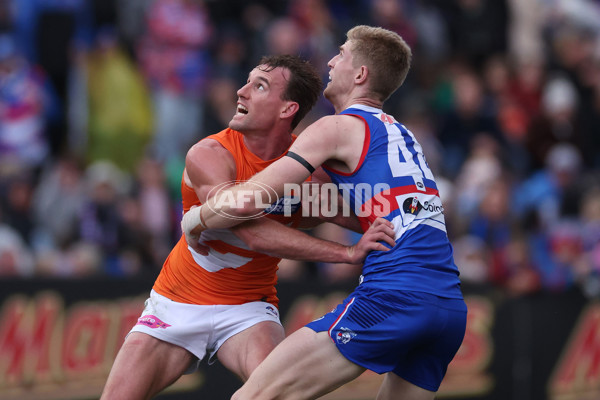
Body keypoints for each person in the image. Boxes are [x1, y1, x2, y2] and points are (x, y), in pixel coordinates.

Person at [182, 26, 467, 400]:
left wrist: (195, 219)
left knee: (253, 397)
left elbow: (248, 199)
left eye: (342, 55)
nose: (331, 61)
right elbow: (356, 207)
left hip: (396, 295)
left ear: (360, 74)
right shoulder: (403, 134)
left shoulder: (335, 127)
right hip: (449, 307)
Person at [100, 54, 395, 400]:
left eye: (259, 86)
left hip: (248, 309)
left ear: (287, 110)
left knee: (277, 395)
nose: (240, 92)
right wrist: (345, 252)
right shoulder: (209, 153)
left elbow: (365, 213)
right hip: (177, 302)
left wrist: (404, 215)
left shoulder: (309, 172)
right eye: (247, 81)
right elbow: (251, 233)